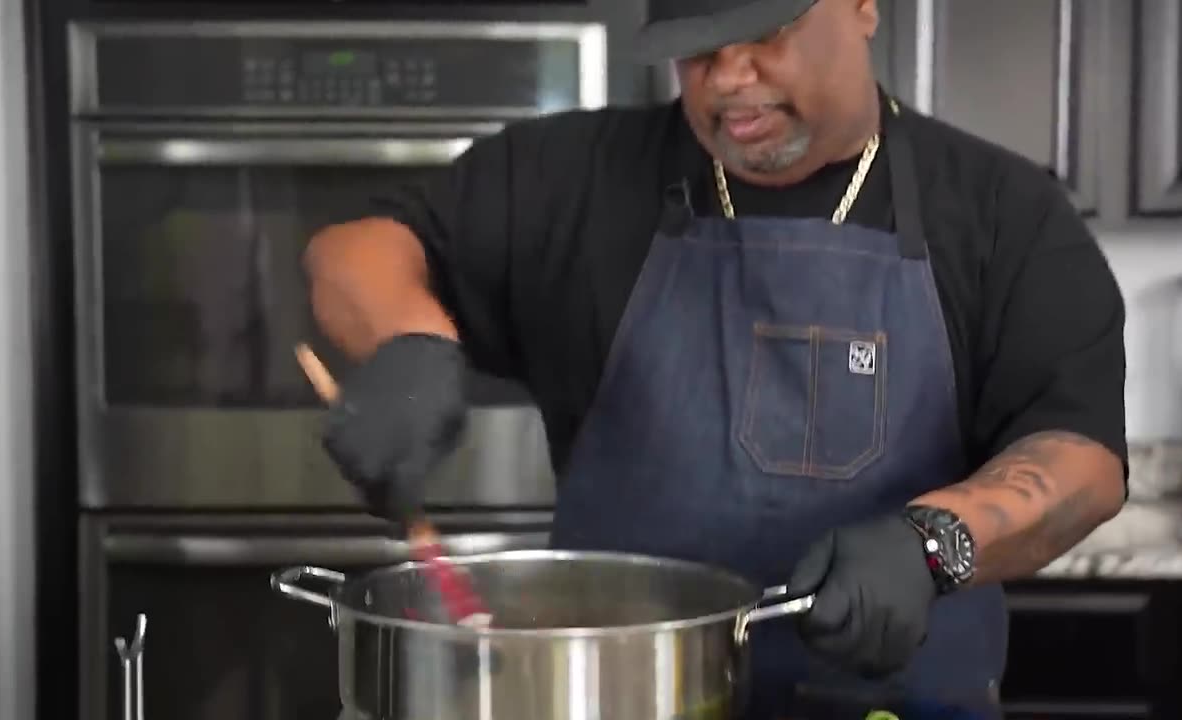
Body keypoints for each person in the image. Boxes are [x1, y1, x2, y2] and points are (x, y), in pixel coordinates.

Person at [306, 0, 1130, 716]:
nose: (729, 78)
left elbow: (1081, 460)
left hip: (900, 705)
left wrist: (934, 545)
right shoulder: (571, 179)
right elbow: (359, 246)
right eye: (698, 46)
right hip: (622, 702)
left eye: (764, 33)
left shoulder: (1004, 214)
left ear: (862, 5)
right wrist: (409, 345)